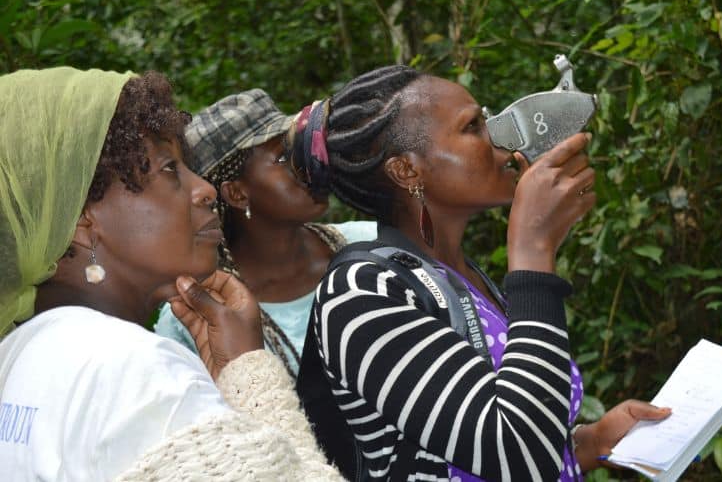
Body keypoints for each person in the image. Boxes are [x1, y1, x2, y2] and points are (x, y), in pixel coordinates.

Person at [292, 65, 671, 481]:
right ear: (407, 171)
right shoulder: (361, 292)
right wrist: (533, 252)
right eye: (473, 126)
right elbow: (516, 456)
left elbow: (514, 428)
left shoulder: (459, 277)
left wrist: (590, 442)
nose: (500, 137)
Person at [0, 68, 342, 481]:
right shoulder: (139, 372)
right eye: (169, 170)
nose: (205, 190)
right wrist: (250, 375)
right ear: (83, 217)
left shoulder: (17, 355)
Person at [155, 90, 376, 378]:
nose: (306, 164)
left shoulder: (369, 245)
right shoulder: (198, 316)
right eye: (284, 158)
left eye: (300, 149)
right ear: (236, 193)